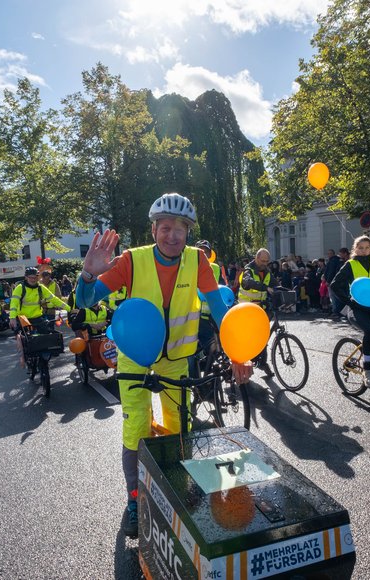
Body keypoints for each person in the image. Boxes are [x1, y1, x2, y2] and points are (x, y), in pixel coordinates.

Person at [74, 192, 252, 539]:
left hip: (176, 359)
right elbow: (85, 301)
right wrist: (88, 275)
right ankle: (134, 498)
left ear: (188, 232)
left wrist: (235, 352)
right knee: (136, 428)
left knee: (178, 425)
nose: (173, 235)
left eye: (180, 229)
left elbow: (219, 308)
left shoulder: (198, 260)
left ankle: (177, 483)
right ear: (154, 229)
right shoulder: (130, 260)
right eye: (165, 227)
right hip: (136, 357)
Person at [330, 235, 370, 401]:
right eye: (360, 248)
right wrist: (350, 302)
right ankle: (367, 369)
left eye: (367, 248)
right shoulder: (350, 264)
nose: (364, 251)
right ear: (355, 249)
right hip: (357, 309)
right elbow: (334, 285)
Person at [238, 248, 278, 375]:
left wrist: (285, 291)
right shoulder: (248, 270)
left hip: (261, 310)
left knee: (263, 337)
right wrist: (265, 287)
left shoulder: (267, 271)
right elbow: (248, 282)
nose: (264, 264)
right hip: (247, 309)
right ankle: (242, 364)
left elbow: (275, 284)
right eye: (262, 261)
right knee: (249, 339)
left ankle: (262, 363)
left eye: (267, 261)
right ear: (256, 258)